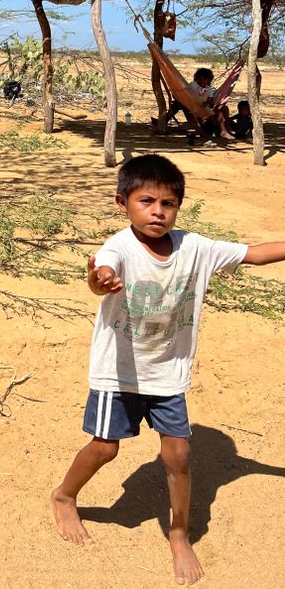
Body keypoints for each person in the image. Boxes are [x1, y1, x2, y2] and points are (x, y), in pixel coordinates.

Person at [50, 154, 285, 585]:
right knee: (105, 448)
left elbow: (254, 254)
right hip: (118, 372)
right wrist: (99, 280)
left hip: (166, 374)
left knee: (178, 455)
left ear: (178, 207)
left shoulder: (196, 248)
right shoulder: (119, 247)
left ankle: (179, 533)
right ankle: (65, 497)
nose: (158, 211)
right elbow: (103, 271)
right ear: (123, 203)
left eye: (168, 203)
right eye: (147, 201)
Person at [166, 68, 234, 141]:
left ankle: (226, 128)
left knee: (223, 108)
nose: (203, 81)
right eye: (200, 78)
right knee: (176, 104)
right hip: (193, 108)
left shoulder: (209, 89)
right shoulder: (193, 85)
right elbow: (185, 93)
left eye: (205, 79)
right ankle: (165, 119)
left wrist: (208, 103)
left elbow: (210, 100)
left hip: (205, 110)